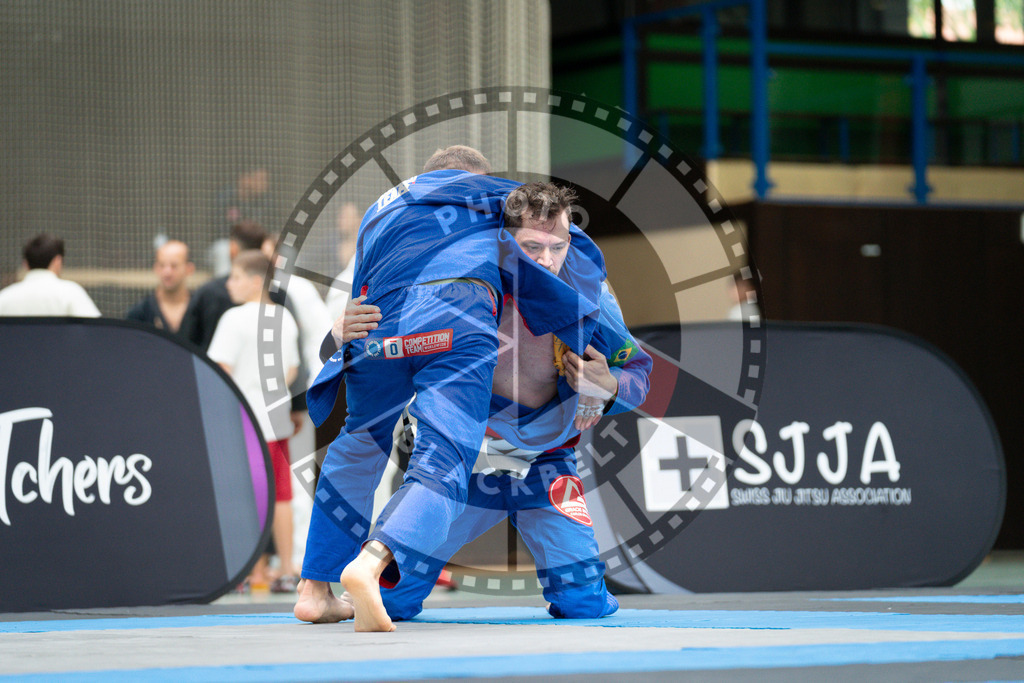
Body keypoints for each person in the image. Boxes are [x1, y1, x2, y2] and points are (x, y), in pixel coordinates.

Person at [295, 150, 604, 631]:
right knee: (443, 463)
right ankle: (371, 562)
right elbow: (563, 234)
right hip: (452, 332)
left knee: (355, 448)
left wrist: (335, 338)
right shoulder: (491, 200)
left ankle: (313, 590)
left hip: (381, 338)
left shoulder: (381, 212)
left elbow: (358, 307)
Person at [334, 186, 652, 621]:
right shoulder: (465, 283)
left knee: (585, 603)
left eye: (558, 247)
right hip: (461, 462)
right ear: (504, 242)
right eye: (532, 247)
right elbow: (379, 348)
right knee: (392, 602)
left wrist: (609, 384)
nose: (546, 260)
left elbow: (639, 374)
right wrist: (336, 338)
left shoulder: (589, 292)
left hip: (546, 462)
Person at [207, 249, 301, 591]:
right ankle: (288, 569)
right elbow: (291, 370)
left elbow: (220, 370)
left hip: (243, 423)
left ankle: (253, 572)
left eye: (235, 276)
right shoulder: (285, 319)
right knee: (281, 496)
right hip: (276, 421)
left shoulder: (234, 319)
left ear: (254, 280)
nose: (229, 283)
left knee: (247, 496)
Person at [187, 220, 267, 352]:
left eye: (236, 279)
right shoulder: (279, 297)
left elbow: (188, 344)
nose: (230, 285)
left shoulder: (209, 294)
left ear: (233, 248)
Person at [0, 233, 100, 317]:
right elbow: (94, 331)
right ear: (58, 261)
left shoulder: (4, 297)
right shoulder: (71, 293)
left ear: (25, 264)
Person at [125, 239, 196, 338]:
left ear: (189, 269)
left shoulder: (200, 311)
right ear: (155, 268)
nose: (167, 272)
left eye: (174, 266)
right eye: (162, 265)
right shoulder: (141, 312)